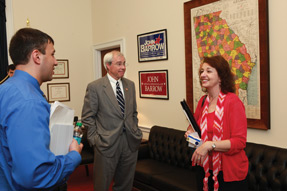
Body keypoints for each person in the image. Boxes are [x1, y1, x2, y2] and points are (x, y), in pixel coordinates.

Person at [0, 28, 83, 191]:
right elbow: (37, 176)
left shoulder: (5, 89)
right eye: (52, 54)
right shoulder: (29, 101)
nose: (56, 61)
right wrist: (74, 156)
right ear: (37, 56)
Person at [185, 56, 248, 191]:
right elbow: (193, 128)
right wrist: (190, 135)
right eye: (201, 71)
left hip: (228, 173)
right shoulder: (203, 101)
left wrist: (210, 145)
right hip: (205, 169)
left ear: (220, 77)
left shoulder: (233, 102)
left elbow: (239, 142)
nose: (203, 75)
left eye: (208, 71)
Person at [82, 50, 142, 191]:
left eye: (124, 64)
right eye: (119, 64)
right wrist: (94, 140)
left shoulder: (130, 85)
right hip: (105, 144)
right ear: (107, 66)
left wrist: (136, 131)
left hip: (129, 142)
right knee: (101, 185)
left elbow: (133, 113)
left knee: (125, 184)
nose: (123, 67)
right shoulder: (95, 87)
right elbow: (88, 116)